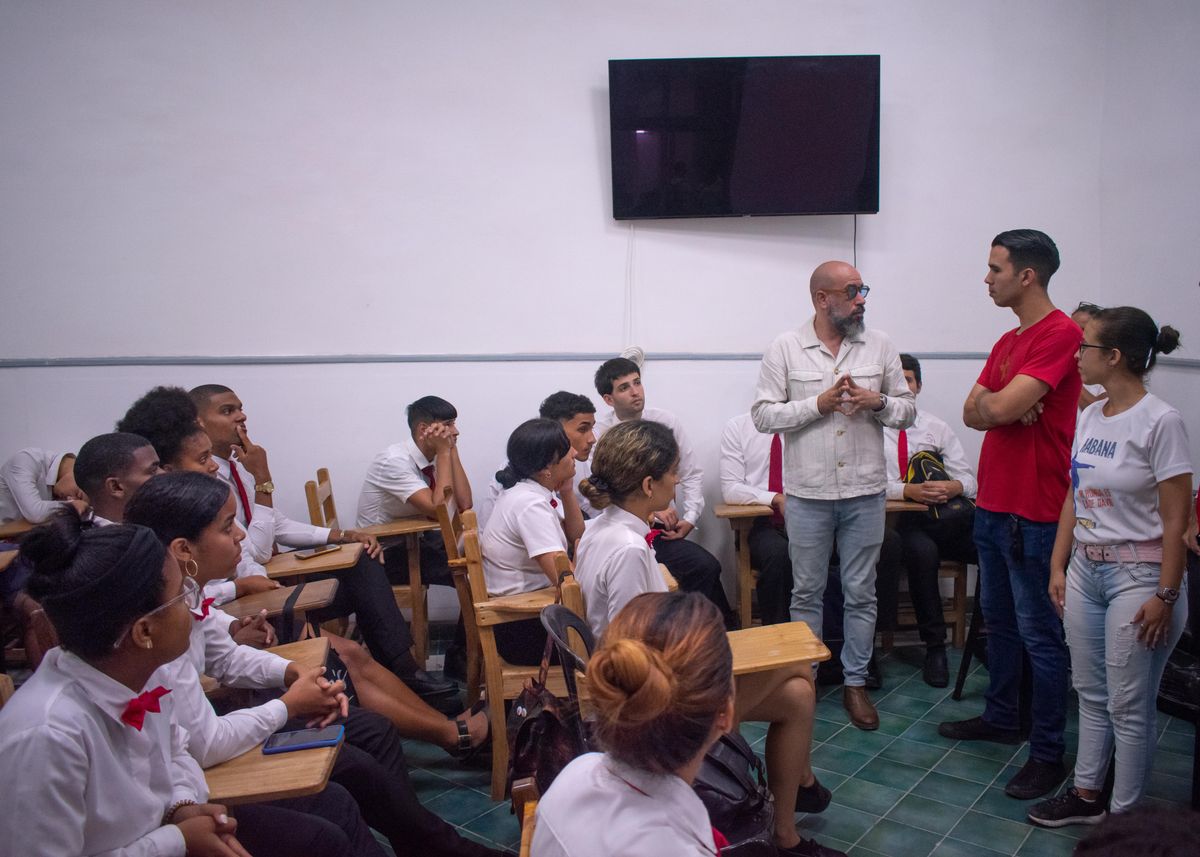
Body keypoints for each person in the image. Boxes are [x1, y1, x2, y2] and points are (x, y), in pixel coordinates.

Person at [125, 472, 503, 857]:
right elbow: (203, 743)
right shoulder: (160, 629)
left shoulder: (185, 595)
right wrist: (289, 704)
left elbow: (224, 655)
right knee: (338, 799)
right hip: (202, 766)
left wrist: (293, 673)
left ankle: (427, 841)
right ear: (183, 549)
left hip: (196, 760)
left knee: (371, 732)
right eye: (228, 527)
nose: (241, 535)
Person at [574, 420, 836, 857]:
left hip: (642, 677)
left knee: (796, 695)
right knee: (797, 671)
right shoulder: (629, 549)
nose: (677, 481)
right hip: (649, 701)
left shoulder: (602, 531)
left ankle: (788, 824)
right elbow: (635, 650)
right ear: (647, 483)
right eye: (672, 473)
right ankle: (796, 801)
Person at [0, 513, 252, 856]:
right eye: (181, 596)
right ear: (145, 631)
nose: (192, 608)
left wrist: (181, 805)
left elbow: (176, 751)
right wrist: (176, 840)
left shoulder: (144, 672)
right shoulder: (47, 734)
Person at [185, 384, 455, 701]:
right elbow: (256, 549)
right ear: (199, 422)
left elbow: (277, 525)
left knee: (363, 563)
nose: (242, 416)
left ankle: (401, 670)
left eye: (240, 408)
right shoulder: (203, 484)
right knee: (370, 577)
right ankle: (402, 675)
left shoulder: (235, 467)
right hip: (244, 600)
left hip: (263, 579)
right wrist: (263, 479)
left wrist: (341, 535)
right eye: (228, 411)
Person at [1027, 308, 1190, 828]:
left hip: (1138, 578)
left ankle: (1125, 820)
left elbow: (1176, 519)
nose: (1077, 357)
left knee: (1129, 704)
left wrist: (1165, 595)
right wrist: (1058, 565)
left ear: (1113, 357)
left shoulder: (1161, 421)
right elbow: (1076, 496)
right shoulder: (1091, 416)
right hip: (1085, 571)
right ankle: (1086, 794)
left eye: (1085, 348)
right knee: (1091, 693)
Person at [534, 590, 843, 857]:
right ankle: (802, 782)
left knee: (797, 690)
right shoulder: (676, 846)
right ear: (725, 715)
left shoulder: (573, 775)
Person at [939, 229, 1083, 801]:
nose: (986, 277)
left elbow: (993, 404)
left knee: (1041, 637)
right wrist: (1001, 406)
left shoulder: (1062, 333)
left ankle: (1047, 752)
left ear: (1027, 275)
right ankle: (1001, 718)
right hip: (994, 505)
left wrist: (1000, 404)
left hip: (1037, 511)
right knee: (997, 622)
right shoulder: (1008, 340)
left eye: (995, 268)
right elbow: (975, 410)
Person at [751, 260, 915, 730]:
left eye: (863, 289)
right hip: (807, 494)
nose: (862, 298)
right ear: (823, 299)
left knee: (861, 591)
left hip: (865, 491)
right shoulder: (785, 347)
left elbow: (906, 412)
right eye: (852, 290)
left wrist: (877, 401)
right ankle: (806, 679)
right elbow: (763, 415)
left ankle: (856, 683)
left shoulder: (880, 344)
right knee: (808, 591)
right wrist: (817, 404)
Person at [593, 357, 735, 627]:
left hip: (662, 531)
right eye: (624, 387)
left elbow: (691, 473)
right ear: (609, 399)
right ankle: (692, 639)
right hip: (626, 531)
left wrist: (690, 518)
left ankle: (715, 636)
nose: (635, 391)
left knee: (706, 566)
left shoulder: (665, 422)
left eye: (637, 383)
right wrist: (649, 511)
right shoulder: (600, 436)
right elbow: (596, 496)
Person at [356, 394, 473, 674]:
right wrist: (445, 453)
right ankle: (460, 663)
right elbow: (439, 509)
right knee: (474, 572)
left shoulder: (429, 457)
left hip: (412, 543)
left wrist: (451, 451)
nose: (455, 431)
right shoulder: (394, 461)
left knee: (480, 563)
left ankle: (463, 658)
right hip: (381, 556)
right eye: (448, 425)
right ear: (424, 430)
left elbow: (465, 502)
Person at [881, 354, 979, 687]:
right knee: (921, 553)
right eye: (895, 381)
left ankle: (991, 635)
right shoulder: (871, 430)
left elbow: (969, 480)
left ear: (918, 386)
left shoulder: (936, 427)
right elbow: (869, 485)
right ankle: (934, 647)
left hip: (946, 519)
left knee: (994, 545)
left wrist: (952, 485)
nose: (902, 386)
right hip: (902, 524)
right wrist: (908, 491)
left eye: (908, 380)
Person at [481, 418, 581, 664]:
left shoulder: (529, 492)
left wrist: (567, 491)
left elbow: (576, 535)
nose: (576, 453)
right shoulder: (530, 505)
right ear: (546, 467)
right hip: (524, 630)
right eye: (568, 449)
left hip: (530, 616)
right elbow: (565, 579)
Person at [476, 390, 598, 529]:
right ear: (554, 430)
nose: (592, 439)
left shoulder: (580, 460)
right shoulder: (526, 471)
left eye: (592, 428)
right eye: (583, 430)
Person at [718, 412, 793, 626]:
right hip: (762, 523)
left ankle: (835, 641)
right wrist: (775, 499)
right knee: (779, 555)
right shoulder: (739, 427)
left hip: (811, 517)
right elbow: (731, 489)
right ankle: (779, 638)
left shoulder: (811, 424)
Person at [0, 446, 86, 523]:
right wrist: (72, 505)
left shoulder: (58, 485)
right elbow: (34, 513)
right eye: (77, 494)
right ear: (79, 471)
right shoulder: (27, 459)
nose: (70, 499)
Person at [1071, 302, 1107, 410]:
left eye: (1082, 329)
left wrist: (1067, 377)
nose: (1075, 334)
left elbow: (1099, 411)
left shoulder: (1105, 369)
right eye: (1072, 328)